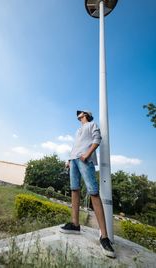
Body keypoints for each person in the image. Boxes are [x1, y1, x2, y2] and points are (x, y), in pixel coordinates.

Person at [60, 110, 115, 258]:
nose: (78, 114)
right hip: (73, 160)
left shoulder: (92, 125)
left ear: (86, 115)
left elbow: (97, 139)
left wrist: (87, 155)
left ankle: (104, 237)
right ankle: (75, 224)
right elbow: (75, 146)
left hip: (84, 160)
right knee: (74, 190)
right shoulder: (78, 130)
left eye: (81, 112)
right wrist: (69, 160)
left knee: (93, 193)